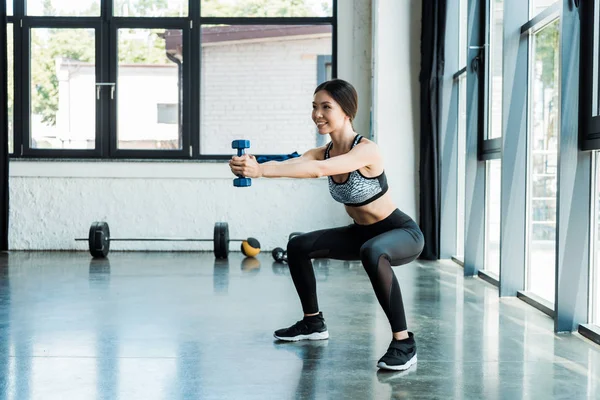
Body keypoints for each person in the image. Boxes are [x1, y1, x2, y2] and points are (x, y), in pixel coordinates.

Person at [229, 79, 425, 371]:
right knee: (298, 246)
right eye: (314, 107)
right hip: (360, 233)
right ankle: (313, 322)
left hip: (399, 232)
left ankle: (404, 342)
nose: (317, 114)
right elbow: (296, 162)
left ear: (346, 111)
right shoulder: (325, 151)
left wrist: (260, 172)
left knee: (372, 250)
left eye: (325, 107)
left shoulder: (366, 151)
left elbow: (317, 171)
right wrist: (255, 166)